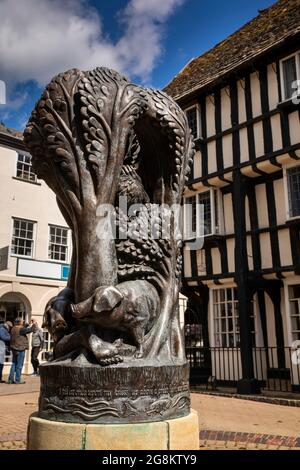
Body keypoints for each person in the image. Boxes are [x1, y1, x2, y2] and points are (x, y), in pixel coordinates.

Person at [7, 318, 36, 384]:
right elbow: (31, 330)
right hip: (20, 349)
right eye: (22, 321)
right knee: (19, 365)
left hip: (14, 348)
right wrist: (34, 324)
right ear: (19, 323)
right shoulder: (21, 329)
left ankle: (10, 380)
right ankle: (17, 380)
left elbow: (23, 329)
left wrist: (28, 324)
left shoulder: (13, 328)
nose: (23, 322)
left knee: (14, 364)